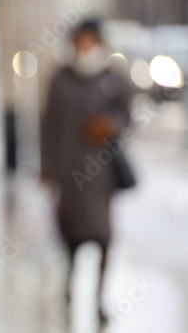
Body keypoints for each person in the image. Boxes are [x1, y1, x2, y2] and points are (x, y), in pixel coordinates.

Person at [40, 20, 132, 328]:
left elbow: (128, 116)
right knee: (70, 239)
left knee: (104, 237)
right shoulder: (60, 79)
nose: (86, 48)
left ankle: (100, 298)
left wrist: (111, 125)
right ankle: (68, 292)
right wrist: (47, 168)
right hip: (68, 173)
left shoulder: (113, 78)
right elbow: (48, 126)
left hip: (101, 174)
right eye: (82, 41)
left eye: (92, 41)